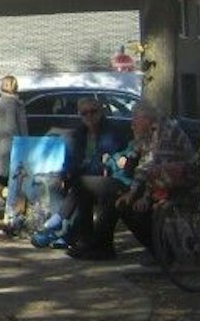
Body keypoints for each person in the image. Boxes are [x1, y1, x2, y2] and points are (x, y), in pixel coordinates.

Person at [42, 97, 135, 259]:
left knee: (82, 185)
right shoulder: (79, 134)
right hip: (86, 177)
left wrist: (80, 171)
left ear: (101, 112)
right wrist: (64, 174)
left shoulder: (111, 132)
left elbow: (103, 162)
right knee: (60, 184)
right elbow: (71, 160)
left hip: (109, 178)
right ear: (80, 115)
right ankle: (80, 238)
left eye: (93, 111)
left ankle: (61, 223)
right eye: (85, 113)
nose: (89, 116)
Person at [115, 102, 197, 259]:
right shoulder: (148, 133)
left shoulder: (165, 130)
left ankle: (163, 252)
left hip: (182, 181)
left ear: (147, 119)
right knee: (123, 202)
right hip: (164, 180)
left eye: (135, 119)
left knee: (137, 207)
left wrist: (143, 195)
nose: (132, 124)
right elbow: (143, 167)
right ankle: (157, 248)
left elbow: (155, 167)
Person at [0, 76, 26, 235]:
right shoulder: (12, 102)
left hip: (4, 141)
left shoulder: (2, 101)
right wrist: (22, 142)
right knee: (16, 179)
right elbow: (13, 125)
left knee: (10, 177)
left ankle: (10, 214)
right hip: (13, 144)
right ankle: (12, 216)